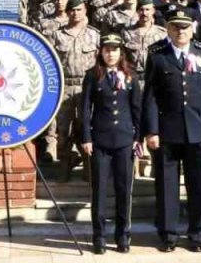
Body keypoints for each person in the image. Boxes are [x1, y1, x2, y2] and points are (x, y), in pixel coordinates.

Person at [141, 8, 201, 253]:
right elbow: (151, 97)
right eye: (175, 26)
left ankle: (197, 234)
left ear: (192, 28)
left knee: (199, 185)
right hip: (168, 131)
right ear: (168, 28)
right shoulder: (157, 55)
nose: (180, 31)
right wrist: (151, 130)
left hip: (199, 130)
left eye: (185, 26)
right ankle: (168, 234)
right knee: (167, 186)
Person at [80, 34, 143, 254]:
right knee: (99, 191)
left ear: (121, 52)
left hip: (125, 141)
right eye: (107, 50)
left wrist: (138, 138)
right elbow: (85, 110)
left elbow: (137, 109)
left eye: (115, 50)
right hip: (100, 141)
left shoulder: (130, 76)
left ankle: (123, 236)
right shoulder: (92, 76)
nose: (111, 54)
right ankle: (99, 236)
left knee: (124, 190)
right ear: (101, 52)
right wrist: (86, 138)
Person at [50, 0, 101, 178]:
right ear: (67, 12)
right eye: (72, 10)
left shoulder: (94, 35)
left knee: (86, 126)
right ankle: (64, 163)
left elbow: (100, 64)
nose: (75, 13)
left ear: (85, 10)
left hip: (86, 87)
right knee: (63, 128)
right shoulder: (57, 35)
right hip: (65, 87)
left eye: (79, 9)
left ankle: (88, 166)